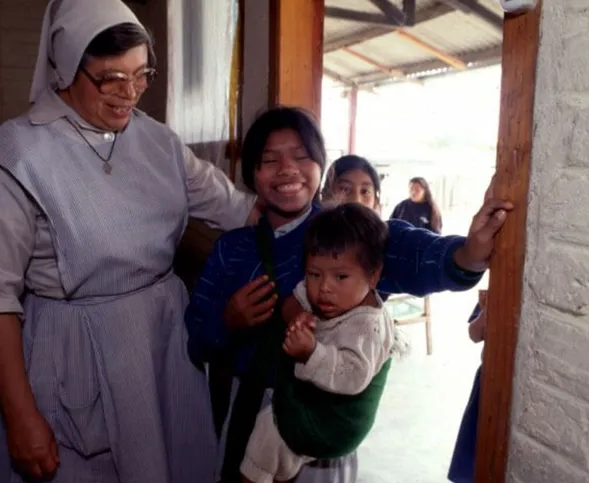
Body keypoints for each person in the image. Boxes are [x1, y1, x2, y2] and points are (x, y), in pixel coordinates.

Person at [0, 1, 259, 482]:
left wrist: (329, 218)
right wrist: (21, 416)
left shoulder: (159, 143)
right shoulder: (12, 162)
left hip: (162, 343)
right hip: (75, 350)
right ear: (68, 66)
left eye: (141, 75)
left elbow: (237, 208)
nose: (129, 93)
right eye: (111, 77)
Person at [184, 108, 512, 483]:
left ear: (320, 166)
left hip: (324, 422)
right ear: (252, 174)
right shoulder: (231, 249)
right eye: (269, 160)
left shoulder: (348, 233)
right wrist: (228, 321)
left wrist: (468, 252)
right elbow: (196, 341)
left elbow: (408, 251)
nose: (287, 169)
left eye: (302, 156)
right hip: (247, 412)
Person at [239, 204, 409, 483]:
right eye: (314, 274)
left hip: (335, 424)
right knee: (270, 436)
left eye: (340, 276)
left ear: (374, 275)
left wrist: (310, 352)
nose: (324, 287)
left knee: (269, 431)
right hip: (308, 405)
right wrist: (299, 316)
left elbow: (352, 376)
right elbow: (291, 303)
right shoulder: (320, 290)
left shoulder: (368, 325)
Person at [448, 296, 486, 483]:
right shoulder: (496, 289)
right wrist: (488, 311)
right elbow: (474, 334)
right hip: (488, 378)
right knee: (474, 445)